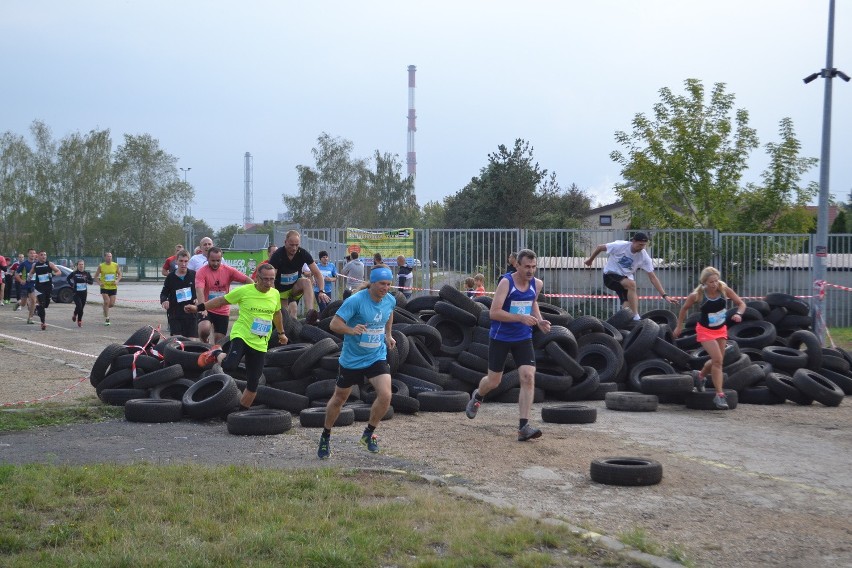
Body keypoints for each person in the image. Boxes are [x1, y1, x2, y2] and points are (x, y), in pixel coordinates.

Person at [465, 249, 552, 441]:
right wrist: (520, 317)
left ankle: (524, 427)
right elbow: (494, 313)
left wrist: (539, 320)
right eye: (527, 266)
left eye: (534, 267)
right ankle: (478, 395)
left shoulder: (537, 284)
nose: (530, 271)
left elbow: (532, 302)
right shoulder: (506, 283)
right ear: (517, 265)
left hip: (523, 337)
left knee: (528, 376)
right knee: (494, 381)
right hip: (501, 337)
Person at [317, 266, 397, 459]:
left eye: (388, 284)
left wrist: (388, 334)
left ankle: (368, 434)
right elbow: (334, 324)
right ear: (372, 283)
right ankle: (326, 435)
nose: (385, 288)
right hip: (352, 358)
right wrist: (352, 330)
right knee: (339, 399)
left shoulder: (390, 300)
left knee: (386, 395)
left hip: (376, 356)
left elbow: (389, 314)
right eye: (381, 284)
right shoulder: (356, 301)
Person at [189, 263, 286, 410]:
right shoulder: (244, 291)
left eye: (272, 279)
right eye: (265, 279)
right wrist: (199, 308)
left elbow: (277, 313)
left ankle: (239, 413)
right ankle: (216, 352)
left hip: (260, 342)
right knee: (229, 366)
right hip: (241, 335)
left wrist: (281, 333)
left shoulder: (275, 294)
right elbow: (221, 300)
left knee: (254, 383)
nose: (268, 283)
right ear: (257, 278)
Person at [673, 267, 746, 410]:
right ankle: (719, 395)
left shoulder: (724, 289)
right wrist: (679, 327)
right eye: (711, 281)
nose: (714, 284)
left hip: (721, 330)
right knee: (718, 361)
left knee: (716, 361)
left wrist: (739, 314)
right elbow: (684, 309)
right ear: (704, 282)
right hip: (705, 331)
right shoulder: (698, 295)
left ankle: (700, 377)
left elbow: (741, 303)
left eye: (716, 280)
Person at [584, 232, 677, 320]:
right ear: (633, 241)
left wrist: (665, 295)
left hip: (625, 280)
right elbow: (600, 247)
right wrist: (590, 260)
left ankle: (625, 323)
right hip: (610, 276)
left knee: (627, 306)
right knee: (632, 284)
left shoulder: (644, 257)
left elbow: (653, 277)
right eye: (640, 244)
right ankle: (637, 317)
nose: (642, 247)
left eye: (644, 245)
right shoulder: (620, 246)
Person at [195, 246, 252, 344]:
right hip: (207, 307)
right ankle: (204, 342)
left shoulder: (229, 270)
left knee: (219, 342)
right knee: (204, 329)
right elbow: (199, 290)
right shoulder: (201, 272)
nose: (216, 263)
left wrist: (254, 293)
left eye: (218, 260)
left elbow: (248, 281)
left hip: (222, 310)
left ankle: (214, 355)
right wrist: (202, 307)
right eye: (213, 260)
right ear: (207, 259)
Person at [267, 230, 326, 323]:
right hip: (280, 291)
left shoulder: (302, 253)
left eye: (296, 245)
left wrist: (322, 291)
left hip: (294, 288)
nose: (294, 248)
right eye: (291, 245)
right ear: (285, 242)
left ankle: (310, 315)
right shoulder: (278, 255)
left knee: (306, 282)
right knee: (285, 317)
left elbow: (318, 274)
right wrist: (273, 298)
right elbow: (271, 279)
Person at [160, 250, 200, 338]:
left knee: (191, 342)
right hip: (175, 314)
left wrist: (198, 299)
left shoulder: (194, 275)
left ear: (189, 262)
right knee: (178, 342)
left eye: (186, 261)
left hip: (191, 314)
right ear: (176, 261)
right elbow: (164, 293)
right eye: (181, 261)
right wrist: (164, 301)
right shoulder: (170, 277)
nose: (183, 264)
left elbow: (200, 291)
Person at [28, 251, 61, 330]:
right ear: (38, 256)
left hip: (48, 287)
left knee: (46, 305)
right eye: (42, 255)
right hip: (39, 288)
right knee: (42, 304)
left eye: (45, 255)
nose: (44, 256)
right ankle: (43, 323)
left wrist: (53, 274)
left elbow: (59, 272)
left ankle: (36, 307)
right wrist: (28, 279)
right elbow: (31, 273)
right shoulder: (35, 265)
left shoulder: (49, 264)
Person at [94, 251, 121, 325]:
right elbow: (95, 277)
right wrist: (100, 283)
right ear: (105, 257)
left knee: (111, 304)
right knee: (106, 301)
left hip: (113, 287)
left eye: (110, 256)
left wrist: (117, 280)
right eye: (108, 256)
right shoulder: (101, 266)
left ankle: (105, 308)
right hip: (104, 287)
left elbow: (120, 274)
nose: (109, 258)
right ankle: (107, 318)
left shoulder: (115, 265)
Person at [67, 259, 94, 327]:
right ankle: (76, 316)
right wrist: (71, 284)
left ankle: (79, 320)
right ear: (77, 265)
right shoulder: (74, 273)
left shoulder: (87, 273)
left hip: (84, 293)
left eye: (82, 264)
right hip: (76, 293)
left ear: (84, 265)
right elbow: (68, 278)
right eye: (80, 264)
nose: (81, 266)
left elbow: (91, 282)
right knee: (79, 305)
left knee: (81, 308)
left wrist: (86, 280)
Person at [15, 249, 37, 322]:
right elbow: (16, 273)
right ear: (28, 254)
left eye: (34, 253)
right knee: (23, 304)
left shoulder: (37, 264)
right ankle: (19, 303)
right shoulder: (24, 264)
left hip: (33, 285)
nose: (32, 254)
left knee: (33, 301)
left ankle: (30, 318)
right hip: (25, 285)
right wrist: (21, 280)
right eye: (31, 253)